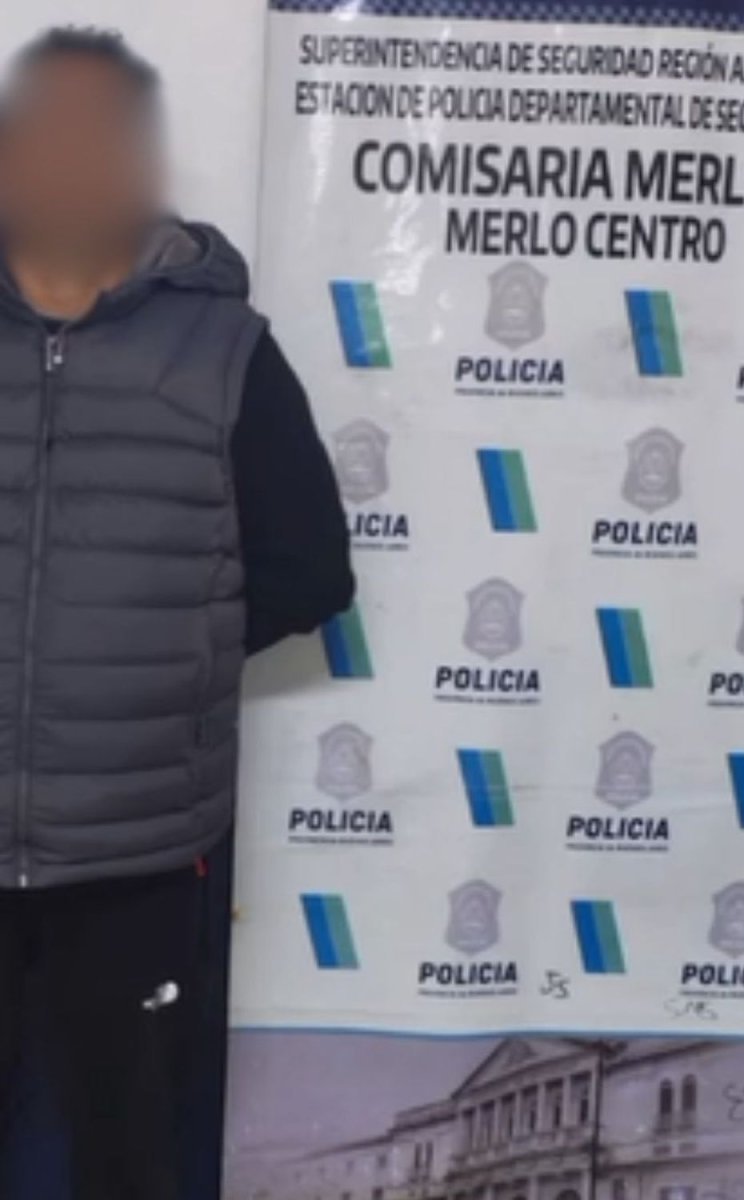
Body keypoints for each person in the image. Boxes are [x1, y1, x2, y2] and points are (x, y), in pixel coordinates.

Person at [0, 26, 355, 1200]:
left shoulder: (225, 350)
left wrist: (173, 645)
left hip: (139, 855)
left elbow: (310, 569)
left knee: (128, 1157)